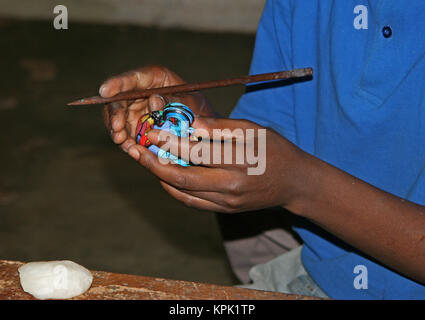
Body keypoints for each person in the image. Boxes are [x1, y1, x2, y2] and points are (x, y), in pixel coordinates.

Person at [99, 0, 425, 299]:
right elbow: (274, 138)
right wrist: (202, 128)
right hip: (325, 271)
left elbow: (290, 175)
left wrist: (302, 186)